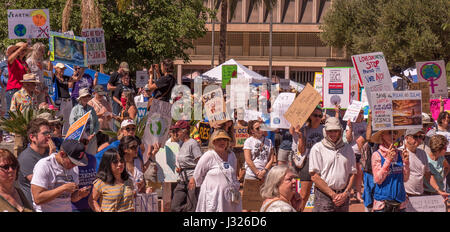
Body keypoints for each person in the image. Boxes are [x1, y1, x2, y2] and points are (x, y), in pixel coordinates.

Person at [309, 117, 357, 212]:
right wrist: (333, 195)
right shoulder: (317, 148)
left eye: (335, 131)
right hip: (324, 196)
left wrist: (345, 193)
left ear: (340, 131)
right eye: (330, 131)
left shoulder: (348, 149)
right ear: (325, 131)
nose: (333, 134)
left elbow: (352, 173)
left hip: (343, 195)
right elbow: (314, 176)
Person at [31, 139, 91, 212]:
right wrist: (63, 188)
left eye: (77, 163)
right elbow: (37, 199)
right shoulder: (44, 165)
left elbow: (72, 198)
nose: (74, 165)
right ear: (62, 154)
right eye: (72, 162)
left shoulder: (74, 168)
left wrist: (80, 194)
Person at [194, 130, 242, 212]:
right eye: (219, 140)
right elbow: (198, 175)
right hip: (213, 197)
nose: (222, 142)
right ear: (213, 142)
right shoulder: (208, 155)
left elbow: (233, 174)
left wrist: (235, 186)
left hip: (229, 197)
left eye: (224, 139)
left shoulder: (232, 155)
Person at [290, 106, 324, 211]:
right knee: (304, 194)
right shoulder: (303, 130)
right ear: (310, 116)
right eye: (315, 115)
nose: (318, 118)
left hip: (322, 162)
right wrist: (300, 136)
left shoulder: (325, 130)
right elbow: (302, 150)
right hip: (308, 161)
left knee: (321, 193)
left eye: (320, 115)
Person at [371, 129, 410, 212]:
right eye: (390, 132)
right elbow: (378, 180)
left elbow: (405, 179)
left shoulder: (400, 153)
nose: (394, 135)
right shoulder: (377, 155)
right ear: (382, 135)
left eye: (395, 132)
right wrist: (388, 160)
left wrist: (406, 163)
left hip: (400, 203)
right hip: (383, 204)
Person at [401, 128, 446, 200]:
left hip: (420, 195)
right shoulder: (400, 153)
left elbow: (428, 174)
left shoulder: (422, 153)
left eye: (420, 137)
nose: (418, 139)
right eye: (415, 136)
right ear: (407, 138)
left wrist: (438, 190)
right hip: (405, 195)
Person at [17, 118, 51, 205]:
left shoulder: (48, 152)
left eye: (49, 133)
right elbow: (44, 184)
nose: (49, 136)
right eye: (45, 133)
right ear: (32, 137)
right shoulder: (26, 157)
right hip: (34, 207)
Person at [242, 120, 275, 211]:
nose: (261, 129)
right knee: (247, 205)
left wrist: (264, 171)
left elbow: (271, 159)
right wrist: (257, 172)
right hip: (251, 175)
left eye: (262, 127)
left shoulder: (269, 141)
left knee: (262, 204)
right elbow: (248, 160)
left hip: (264, 176)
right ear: (252, 131)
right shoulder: (248, 141)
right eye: (257, 128)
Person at [171, 120, 203, 212]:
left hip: (192, 179)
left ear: (184, 131)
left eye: (177, 131)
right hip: (182, 179)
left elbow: (200, 162)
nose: (175, 133)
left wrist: (194, 178)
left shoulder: (193, 143)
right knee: (175, 206)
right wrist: (180, 167)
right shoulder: (181, 144)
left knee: (191, 207)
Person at [344, 110, 367, 202]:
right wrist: (350, 128)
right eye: (358, 113)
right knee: (350, 174)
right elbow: (348, 139)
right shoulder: (350, 123)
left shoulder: (365, 124)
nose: (360, 115)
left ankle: (358, 194)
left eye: (361, 112)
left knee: (359, 174)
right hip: (352, 151)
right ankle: (347, 194)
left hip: (362, 152)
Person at [5, 42, 32, 117]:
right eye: (21, 50)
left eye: (24, 50)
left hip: (22, 90)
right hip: (13, 89)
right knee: (10, 113)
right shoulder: (14, 61)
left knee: (20, 113)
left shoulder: (24, 63)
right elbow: (9, 59)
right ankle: (5, 129)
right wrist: (20, 48)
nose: (23, 52)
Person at [70, 88, 100, 155]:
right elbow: (72, 124)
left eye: (87, 96)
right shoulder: (75, 109)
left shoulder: (92, 109)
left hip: (91, 139)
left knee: (91, 157)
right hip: (80, 139)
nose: (86, 98)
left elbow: (97, 124)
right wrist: (83, 134)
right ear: (80, 98)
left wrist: (92, 134)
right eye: (84, 96)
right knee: (80, 158)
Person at [423, 134, 450, 201]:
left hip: (440, 192)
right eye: (444, 148)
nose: (446, 150)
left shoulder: (441, 157)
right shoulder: (425, 158)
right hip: (427, 193)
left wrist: (443, 176)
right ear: (438, 149)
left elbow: (447, 167)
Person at [53, 62, 74, 135]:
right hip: (60, 100)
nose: (62, 70)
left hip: (68, 100)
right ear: (56, 69)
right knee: (57, 119)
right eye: (60, 69)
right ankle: (56, 135)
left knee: (68, 120)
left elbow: (71, 84)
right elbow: (49, 71)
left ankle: (66, 135)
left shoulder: (66, 77)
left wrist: (81, 71)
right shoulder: (54, 77)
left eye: (63, 69)